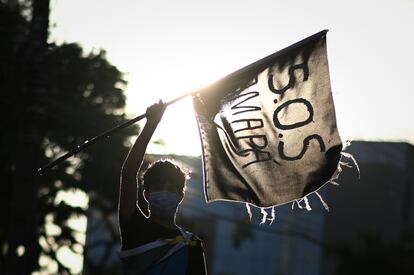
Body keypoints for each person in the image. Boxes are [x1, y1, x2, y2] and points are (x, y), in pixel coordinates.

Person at [118, 100, 207, 275]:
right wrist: (151, 125)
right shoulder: (134, 227)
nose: (165, 192)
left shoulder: (192, 245)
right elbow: (128, 175)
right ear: (146, 195)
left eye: (171, 188)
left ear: (181, 196)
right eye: (158, 187)